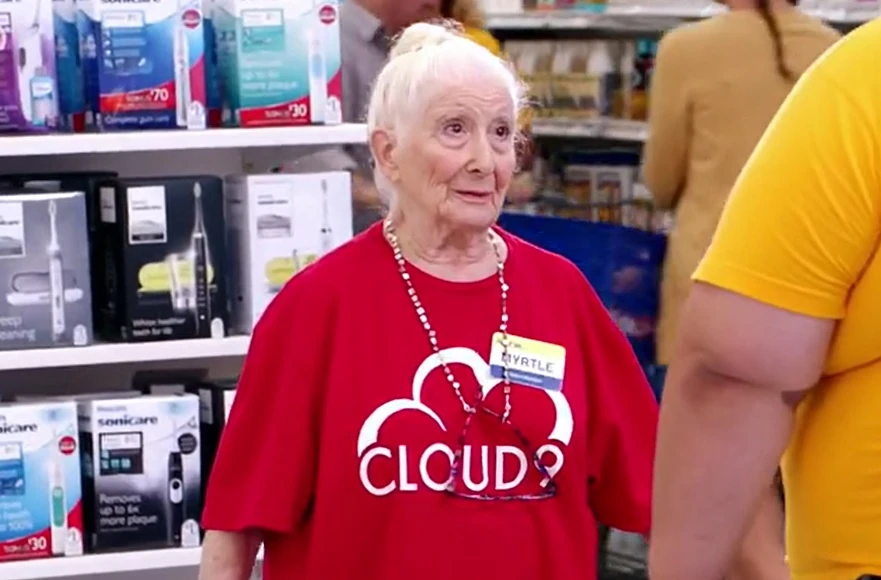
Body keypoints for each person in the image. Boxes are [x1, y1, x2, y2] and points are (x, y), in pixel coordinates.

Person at [198, 22, 658, 580]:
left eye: (501, 133)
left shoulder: (561, 294)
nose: (484, 160)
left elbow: (661, 495)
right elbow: (237, 523)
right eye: (455, 130)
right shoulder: (317, 307)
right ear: (388, 152)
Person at [649, 15, 881, 580]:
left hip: (743, 275)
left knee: (739, 468)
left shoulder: (863, 67)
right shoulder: (824, 39)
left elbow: (660, 178)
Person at [641, 0, 839, 366]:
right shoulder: (832, 47)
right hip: (806, 280)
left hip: (710, 272)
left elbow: (662, 179)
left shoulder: (685, 48)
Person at [287, 0, 442, 233]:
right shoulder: (325, 41)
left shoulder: (406, 42)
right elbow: (309, 155)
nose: (437, 4)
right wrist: (401, 201)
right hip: (352, 228)